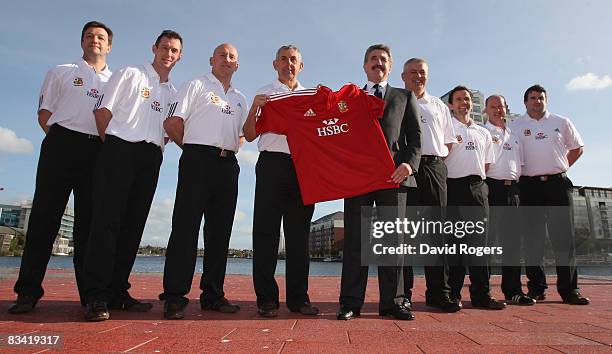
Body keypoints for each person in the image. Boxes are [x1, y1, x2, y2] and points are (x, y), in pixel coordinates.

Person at [8, 21, 113, 314]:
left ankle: (92, 296)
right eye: (90, 36)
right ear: (82, 42)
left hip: (98, 150)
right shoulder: (60, 71)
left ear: (109, 46)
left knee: (90, 227)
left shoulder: (115, 80)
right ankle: (27, 292)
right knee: (44, 218)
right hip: (61, 143)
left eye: (101, 37)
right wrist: (62, 142)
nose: (95, 40)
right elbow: (44, 114)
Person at [82, 30, 183, 321]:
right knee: (106, 223)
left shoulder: (173, 93)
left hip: (150, 157)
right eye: (165, 47)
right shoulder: (130, 73)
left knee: (132, 226)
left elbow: (167, 133)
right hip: (119, 149)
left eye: (174, 50)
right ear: (154, 48)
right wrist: (113, 147)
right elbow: (102, 112)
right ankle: (96, 296)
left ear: (179, 56)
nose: (168, 54)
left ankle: (117, 291)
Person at [160, 43, 248, 320]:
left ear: (238, 65)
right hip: (197, 158)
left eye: (232, 56)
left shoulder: (240, 98)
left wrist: (226, 148)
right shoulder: (195, 84)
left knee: (219, 233)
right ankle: (175, 296)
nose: (227, 59)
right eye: (222, 55)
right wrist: (196, 149)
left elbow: (243, 134)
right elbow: (172, 123)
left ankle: (213, 294)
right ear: (211, 60)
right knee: (185, 227)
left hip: (228, 165)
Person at [337, 44, 421, 321]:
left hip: (394, 178)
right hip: (357, 179)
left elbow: (415, 141)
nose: (378, 62)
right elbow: (338, 136)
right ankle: (350, 302)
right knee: (356, 243)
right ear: (364, 66)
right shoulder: (348, 98)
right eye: (373, 59)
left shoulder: (404, 96)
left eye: (383, 59)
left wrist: (409, 165)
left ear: (390, 66)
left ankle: (394, 302)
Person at [242, 45, 318, 318]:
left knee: (299, 236)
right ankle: (266, 299)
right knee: (265, 233)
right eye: (283, 59)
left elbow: (323, 133)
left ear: (301, 65)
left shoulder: (312, 96)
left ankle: (299, 299)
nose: (288, 64)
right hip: (271, 164)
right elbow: (249, 135)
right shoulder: (264, 93)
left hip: (302, 166)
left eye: (294, 60)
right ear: (275, 64)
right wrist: (254, 109)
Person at [511, 84, 589, 305]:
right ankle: (536, 288)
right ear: (525, 102)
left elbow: (577, 148)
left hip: (557, 185)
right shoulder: (515, 126)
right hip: (528, 186)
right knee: (533, 240)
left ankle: (569, 290)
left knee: (564, 240)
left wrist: (560, 167)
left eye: (541, 98)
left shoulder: (561, 122)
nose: (537, 101)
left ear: (546, 100)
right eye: (532, 98)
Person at [400, 58, 459, 313]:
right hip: (405, 170)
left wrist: (432, 162)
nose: (417, 76)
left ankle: (439, 293)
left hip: (434, 168)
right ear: (403, 76)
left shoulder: (438, 106)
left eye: (422, 72)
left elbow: (449, 143)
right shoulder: (395, 101)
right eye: (412, 72)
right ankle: (403, 295)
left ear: (428, 76)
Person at [444, 86, 506, 310]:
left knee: (480, 246)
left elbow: (487, 164)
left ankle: (482, 295)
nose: (464, 102)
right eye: (459, 99)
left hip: (478, 187)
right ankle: (451, 293)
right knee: (456, 245)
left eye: (467, 99)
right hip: (453, 187)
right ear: (450, 104)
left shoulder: (483, 132)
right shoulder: (446, 127)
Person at [483, 95, 535, 306]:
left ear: (506, 109)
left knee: (512, 244)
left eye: (501, 106)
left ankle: (513, 290)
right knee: (487, 244)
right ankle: (483, 292)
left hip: (513, 191)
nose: (497, 110)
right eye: (493, 107)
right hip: (491, 189)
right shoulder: (483, 132)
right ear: (486, 110)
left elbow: (520, 166)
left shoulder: (515, 136)